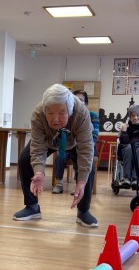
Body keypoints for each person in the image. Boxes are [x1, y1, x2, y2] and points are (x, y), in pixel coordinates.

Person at [13, 84, 95, 225]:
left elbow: (86, 149)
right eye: (50, 113)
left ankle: (83, 211)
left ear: (70, 110)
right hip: (49, 140)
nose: (55, 119)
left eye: (62, 113)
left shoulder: (81, 114)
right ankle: (32, 207)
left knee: (89, 167)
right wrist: (39, 172)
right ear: (45, 110)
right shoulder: (38, 114)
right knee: (25, 160)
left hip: (74, 141)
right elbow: (37, 146)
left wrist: (81, 182)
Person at [50, 88, 99, 227]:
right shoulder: (66, 113)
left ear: (86, 103)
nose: (78, 102)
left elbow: (93, 135)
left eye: (81, 100)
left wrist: (82, 143)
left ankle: (83, 206)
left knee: (87, 164)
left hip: (85, 146)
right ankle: (59, 183)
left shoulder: (91, 115)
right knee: (60, 156)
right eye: (75, 99)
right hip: (68, 145)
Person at [118, 104, 139, 188]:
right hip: (128, 148)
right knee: (128, 148)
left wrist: (135, 141)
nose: (135, 118)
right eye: (133, 116)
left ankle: (136, 178)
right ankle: (126, 178)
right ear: (129, 117)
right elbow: (123, 142)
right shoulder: (126, 126)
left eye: (138, 115)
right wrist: (124, 131)